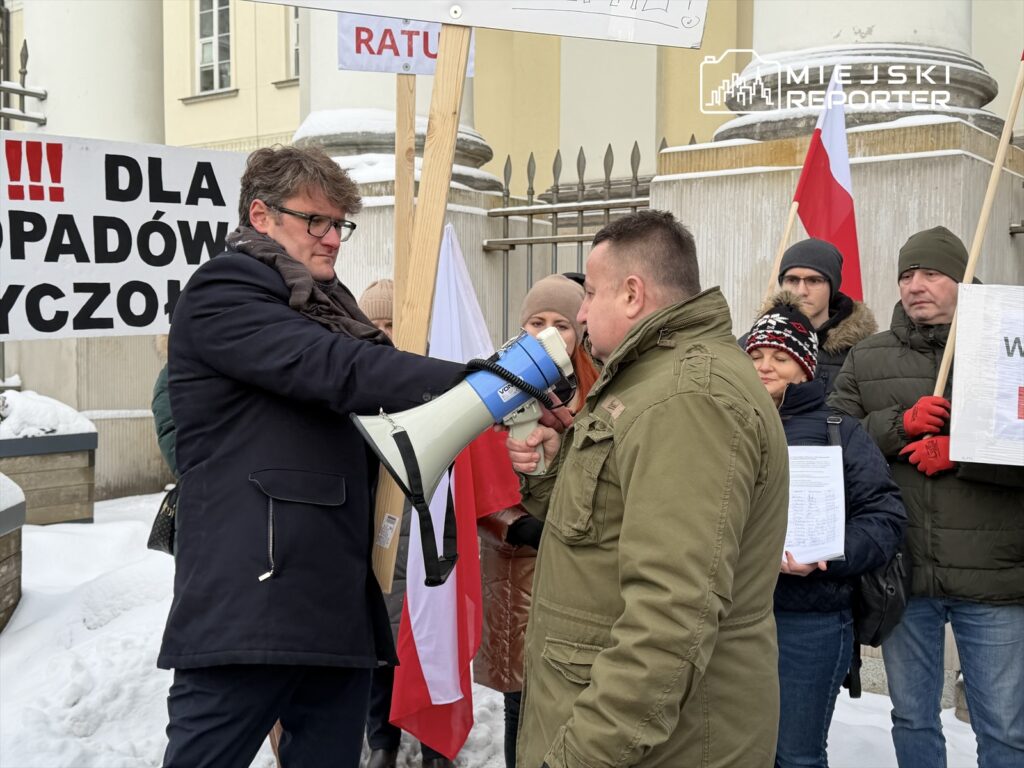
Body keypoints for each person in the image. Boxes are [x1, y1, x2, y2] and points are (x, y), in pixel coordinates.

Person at [157, 145, 466, 768]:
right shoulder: (224, 288)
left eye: (339, 225)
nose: (332, 239)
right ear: (262, 215)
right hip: (254, 600)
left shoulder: (326, 303)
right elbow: (336, 370)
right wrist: (476, 380)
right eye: (315, 222)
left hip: (334, 600)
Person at [506, 210, 791, 767]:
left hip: (662, 746)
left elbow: (671, 614)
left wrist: (579, 757)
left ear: (633, 294)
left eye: (590, 294)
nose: (581, 314)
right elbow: (605, 523)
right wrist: (551, 468)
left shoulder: (686, 400)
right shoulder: (653, 379)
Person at [829, 226, 1024, 768]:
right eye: (907, 275)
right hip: (904, 574)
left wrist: (958, 453)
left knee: (1004, 728)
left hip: (995, 577)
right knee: (912, 717)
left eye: (932, 273)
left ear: (961, 280)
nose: (916, 285)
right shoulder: (867, 358)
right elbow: (830, 441)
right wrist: (898, 423)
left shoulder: (1009, 346)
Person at [744, 294, 905, 768]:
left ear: (806, 366)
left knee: (795, 755)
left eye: (780, 357)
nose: (765, 367)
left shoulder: (841, 430)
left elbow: (885, 516)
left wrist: (831, 554)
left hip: (808, 619)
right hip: (733, 615)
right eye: (755, 355)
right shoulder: (725, 425)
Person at [475, 274, 599, 768]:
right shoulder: (498, 385)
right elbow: (477, 473)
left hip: (583, 574)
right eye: (537, 322)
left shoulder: (601, 386)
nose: (549, 333)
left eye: (562, 324)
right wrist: (515, 523)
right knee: (522, 705)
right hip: (520, 570)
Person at [357, 277, 455, 768]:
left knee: (432, 640)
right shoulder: (351, 380)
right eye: (371, 324)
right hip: (379, 534)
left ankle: (436, 741)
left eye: (392, 322)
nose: (382, 333)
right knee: (382, 640)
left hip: (430, 535)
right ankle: (383, 739)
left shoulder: (436, 379)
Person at [742, 239, 877, 394]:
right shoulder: (745, 347)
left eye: (814, 281)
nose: (801, 291)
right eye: (792, 280)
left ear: (832, 286)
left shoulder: (862, 354)